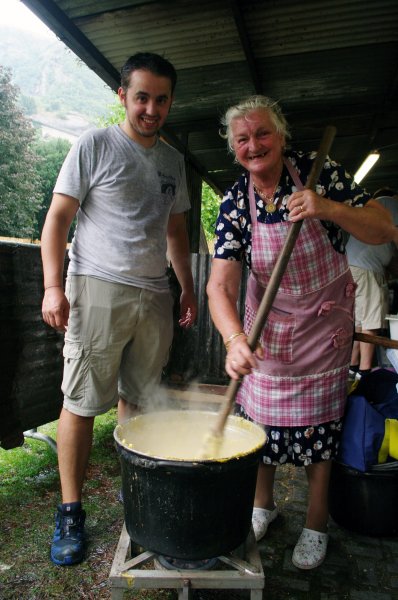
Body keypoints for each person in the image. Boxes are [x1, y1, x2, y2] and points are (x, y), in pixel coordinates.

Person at [206, 95, 395, 570]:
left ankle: (316, 525)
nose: (254, 145)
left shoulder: (318, 172)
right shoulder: (234, 202)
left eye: (263, 133)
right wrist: (233, 340)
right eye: (243, 139)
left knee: (320, 438)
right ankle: (262, 506)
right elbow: (220, 285)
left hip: (321, 331)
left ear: (282, 135)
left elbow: (382, 228)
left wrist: (326, 206)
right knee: (260, 433)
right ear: (234, 148)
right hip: (266, 334)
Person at [41, 52, 197, 566]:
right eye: (141, 97)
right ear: (122, 96)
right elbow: (57, 220)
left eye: (161, 99)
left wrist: (187, 288)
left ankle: (135, 493)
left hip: (154, 295)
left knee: (138, 399)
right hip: (98, 288)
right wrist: (52, 288)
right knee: (82, 402)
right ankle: (70, 511)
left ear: (170, 101)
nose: (151, 108)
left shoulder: (174, 161)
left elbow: (176, 233)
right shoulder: (95, 144)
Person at [346, 187, 398, 379]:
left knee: (360, 321)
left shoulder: (373, 207)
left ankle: (353, 367)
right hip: (366, 268)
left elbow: (391, 259)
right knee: (371, 319)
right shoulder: (390, 204)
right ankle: (366, 372)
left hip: (352, 267)